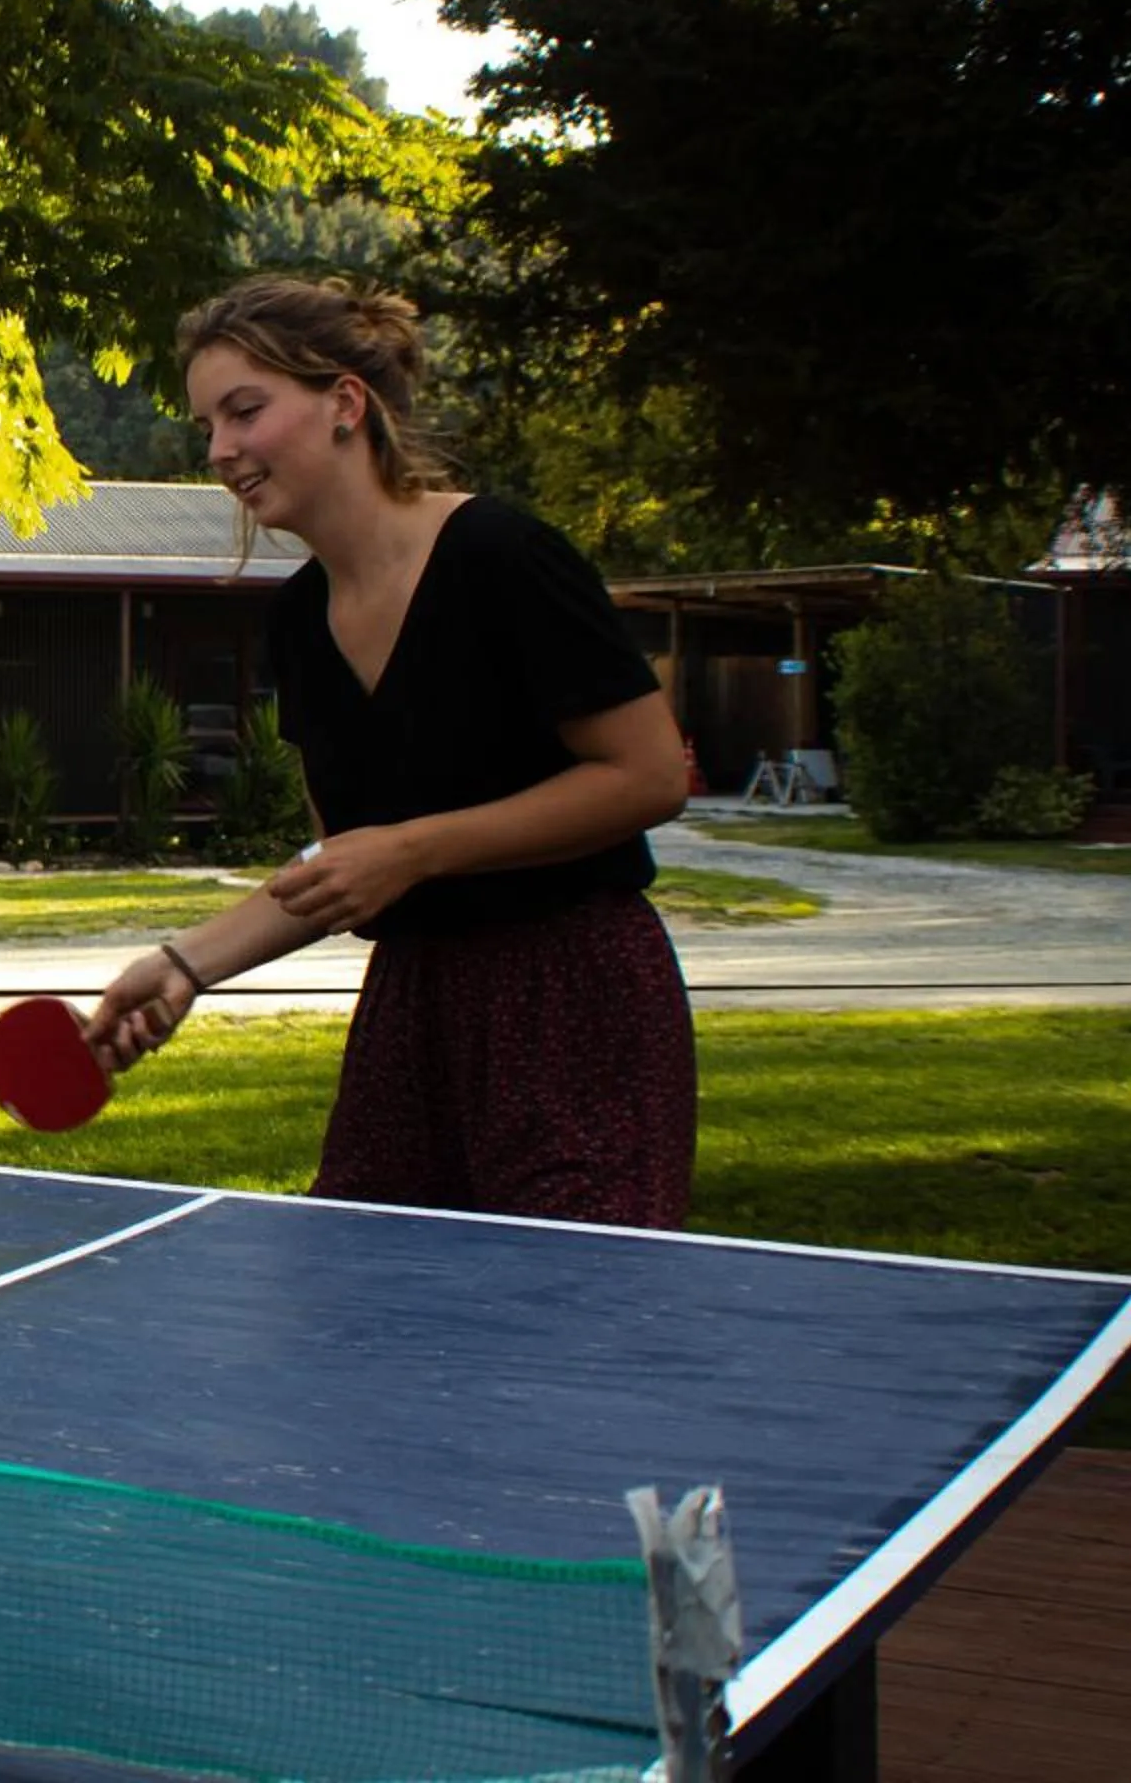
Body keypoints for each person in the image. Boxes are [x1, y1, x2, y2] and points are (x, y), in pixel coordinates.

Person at [84, 277, 697, 1229]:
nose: (220, 451)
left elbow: (649, 775)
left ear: (345, 403)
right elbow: (343, 866)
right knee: (367, 1295)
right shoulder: (297, 622)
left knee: (575, 1306)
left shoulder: (502, 554)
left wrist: (414, 849)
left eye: (245, 411)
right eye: (208, 426)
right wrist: (183, 965)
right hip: (411, 1012)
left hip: (572, 994)